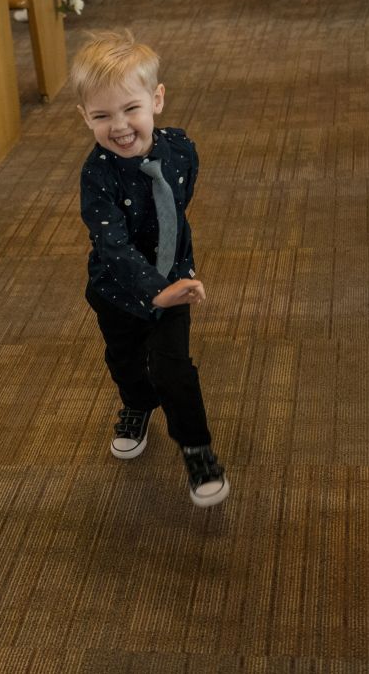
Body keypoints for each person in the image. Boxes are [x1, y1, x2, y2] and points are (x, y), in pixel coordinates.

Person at [72, 30, 229, 507]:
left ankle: (197, 450)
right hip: (117, 290)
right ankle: (137, 405)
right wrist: (152, 291)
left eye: (130, 109)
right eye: (102, 116)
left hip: (175, 280)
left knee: (172, 367)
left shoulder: (181, 150)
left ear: (156, 100)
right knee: (125, 360)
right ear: (85, 116)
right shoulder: (97, 176)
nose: (119, 126)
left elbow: (179, 205)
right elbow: (113, 245)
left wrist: (175, 276)